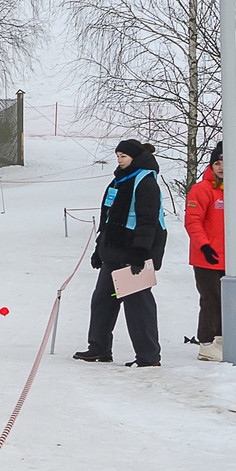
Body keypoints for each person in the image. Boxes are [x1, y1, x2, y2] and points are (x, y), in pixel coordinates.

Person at [73, 138, 164, 366]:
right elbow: (107, 218)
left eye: (123, 156)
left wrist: (140, 254)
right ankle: (99, 348)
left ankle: (148, 356)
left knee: (138, 306)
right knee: (103, 300)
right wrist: (99, 249)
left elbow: (147, 221)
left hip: (133, 254)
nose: (119, 160)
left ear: (135, 157)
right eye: (118, 156)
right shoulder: (118, 180)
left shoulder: (145, 181)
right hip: (113, 253)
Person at [182, 146, 227, 358]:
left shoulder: (233, 190)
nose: (221, 167)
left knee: (226, 300)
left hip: (229, 257)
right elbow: (192, 221)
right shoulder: (201, 189)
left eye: (224, 163)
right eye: (217, 163)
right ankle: (206, 343)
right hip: (206, 256)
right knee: (211, 299)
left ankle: (220, 338)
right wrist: (204, 245)